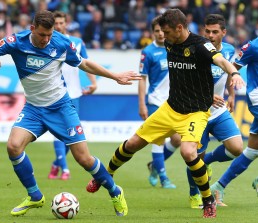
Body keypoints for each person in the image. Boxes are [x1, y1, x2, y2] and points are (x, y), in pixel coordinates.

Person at [0, 10, 141, 217]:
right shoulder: (16, 41)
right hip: (34, 108)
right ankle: (35, 196)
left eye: (49, 35)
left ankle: (115, 191)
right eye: (42, 35)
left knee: (84, 159)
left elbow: (85, 63)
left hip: (60, 107)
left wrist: (114, 76)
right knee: (13, 147)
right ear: (32, 28)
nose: (46, 39)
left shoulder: (61, 43)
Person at [85, 8, 245, 218]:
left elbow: (221, 61)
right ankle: (104, 175)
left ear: (179, 28)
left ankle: (207, 201)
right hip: (170, 108)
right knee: (133, 143)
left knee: (188, 152)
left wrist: (233, 73)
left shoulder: (200, 45)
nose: (163, 37)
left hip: (195, 112)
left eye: (167, 32)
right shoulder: (170, 42)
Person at [185, 14, 243, 209]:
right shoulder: (195, 51)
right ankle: (195, 194)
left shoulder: (228, 50)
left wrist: (232, 95)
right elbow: (186, 83)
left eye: (215, 32)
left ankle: (209, 160)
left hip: (218, 111)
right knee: (194, 157)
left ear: (223, 33)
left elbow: (229, 72)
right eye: (207, 31)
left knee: (236, 148)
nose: (210, 35)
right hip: (197, 111)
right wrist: (208, 97)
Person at [210, 30, 258, 207]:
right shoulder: (253, 46)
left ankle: (218, 186)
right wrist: (230, 93)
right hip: (256, 97)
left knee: (252, 151)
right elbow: (232, 69)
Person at [48, 11, 97, 181]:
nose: (59, 26)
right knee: (57, 132)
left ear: (66, 23)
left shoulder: (77, 42)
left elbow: (87, 63)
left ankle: (56, 163)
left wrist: (94, 83)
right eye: (56, 23)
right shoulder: (48, 42)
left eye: (61, 23)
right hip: (54, 94)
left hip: (74, 94)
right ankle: (65, 169)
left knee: (70, 134)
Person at [138, 16, 181, 189]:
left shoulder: (175, 47)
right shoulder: (148, 52)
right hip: (155, 100)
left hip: (175, 102)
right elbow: (142, 79)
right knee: (159, 138)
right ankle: (164, 178)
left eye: (163, 30)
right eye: (157, 31)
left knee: (177, 140)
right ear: (152, 32)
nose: (161, 34)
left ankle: (155, 166)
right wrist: (141, 103)